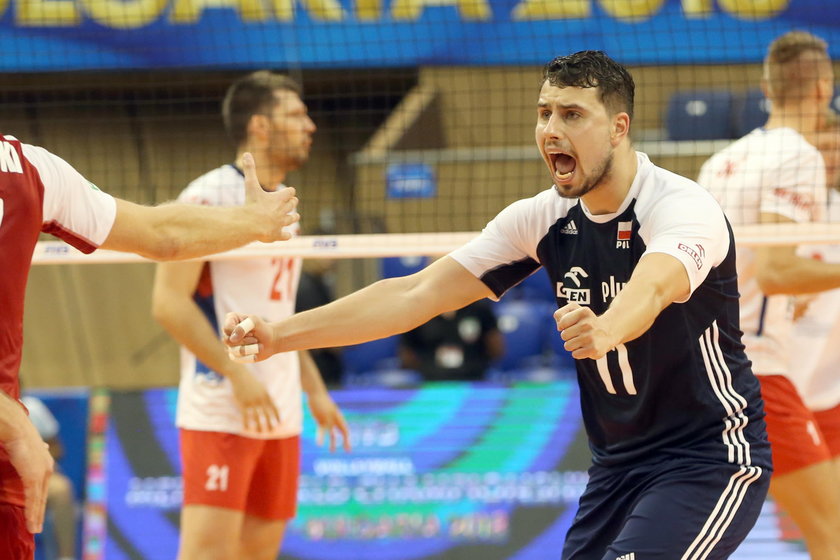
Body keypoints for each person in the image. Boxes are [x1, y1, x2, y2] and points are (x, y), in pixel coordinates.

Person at [224, 51, 772, 559]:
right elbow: (414, 294)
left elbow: (653, 287)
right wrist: (279, 335)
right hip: (617, 465)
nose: (552, 130)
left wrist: (606, 330)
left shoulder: (680, 205)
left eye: (573, 115)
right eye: (544, 113)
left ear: (619, 127)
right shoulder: (543, 217)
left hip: (710, 456)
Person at [0, 127, 299, 559]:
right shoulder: (29, 168)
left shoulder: (30, 169)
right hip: (17, 438)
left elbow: (161, 232)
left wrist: (253, 221)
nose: (306, 126)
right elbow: (165, 260)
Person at [151, 71, 350, 560]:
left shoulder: (285, 207)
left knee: (259, 553)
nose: (311, 126)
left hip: (280, 413)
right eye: (296, 115)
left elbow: (277, 317)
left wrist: (315, 390)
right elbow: (168, 303)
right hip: (221, 409)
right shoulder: (207, 196)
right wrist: (234, 375)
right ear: (260, 127)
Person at [697, 31, 840, 560]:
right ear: (824, 88)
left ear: (766, 88)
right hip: (756, 373)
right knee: (833, 535)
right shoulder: (800, 155)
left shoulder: (721, 163)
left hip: (709, 368)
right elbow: (778, 271)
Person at [20, 396, 77, 560]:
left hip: (36, 478)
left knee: (61, 489)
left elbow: (57, 449)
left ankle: (66, 556)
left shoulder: (32, 408)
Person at [399, 300, 504, 381]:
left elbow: (495, 348)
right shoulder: (419, 310)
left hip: (474, 377)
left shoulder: (480, 308)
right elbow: (407, 351)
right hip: (430, 379)